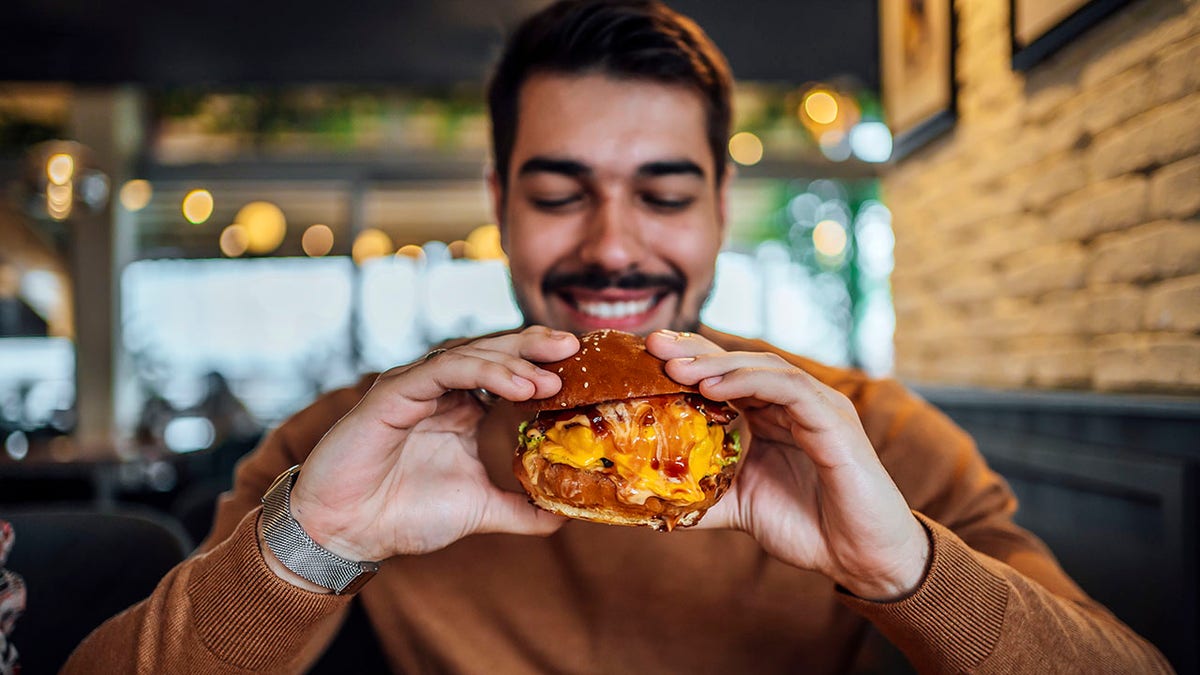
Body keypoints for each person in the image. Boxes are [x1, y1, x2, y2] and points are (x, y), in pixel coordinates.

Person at [65, 1, 1171, 673]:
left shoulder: (870, 433)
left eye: (663, 193)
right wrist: (312, 547)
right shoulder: (361, 437)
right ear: (500, 202)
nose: (614, 244)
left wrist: (904, 569)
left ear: (719, 210)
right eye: (560, 193)